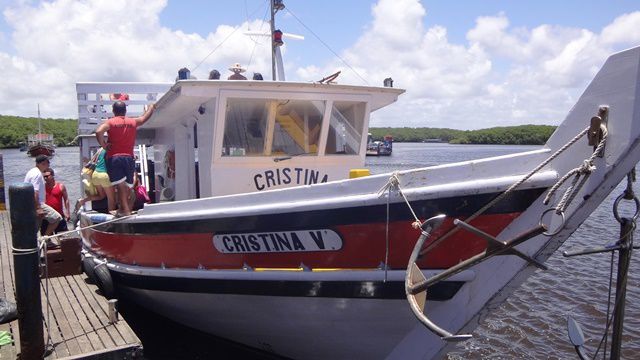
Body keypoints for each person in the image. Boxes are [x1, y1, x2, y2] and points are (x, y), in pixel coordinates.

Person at [95, 101, 155, 216]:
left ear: (113, 111)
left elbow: (98, 131)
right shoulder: (132, 121)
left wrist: (103, 145)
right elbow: (143, 118)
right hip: (129, 157)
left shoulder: (111, 122)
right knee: (127, 185)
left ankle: (124, 210)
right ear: (125, 111)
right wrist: (151, 107)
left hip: (115, 157)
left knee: (120, 185)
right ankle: (124, 208)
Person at [23, 155, 61, 239]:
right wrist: (38, 208)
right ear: (43, 163)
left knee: (35, 228)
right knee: (56, 218)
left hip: (30, 203)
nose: (49, 166)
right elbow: (34, 191)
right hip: (37, 203)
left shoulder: (31, 171)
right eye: (48, 163)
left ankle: (32, 243)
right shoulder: (37, 174)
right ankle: (44, 239)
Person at [78, 148, 116, 212]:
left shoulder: (100, 149)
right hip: (103, 174)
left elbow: (92, 162)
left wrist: (87, 160)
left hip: (95, 174)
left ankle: (84, 200)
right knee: (111, 199)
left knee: (101, 196)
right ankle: (112, 218)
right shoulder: (112, 148)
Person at [42, 167, 70, 233]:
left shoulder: (61, 186)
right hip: (47, 217)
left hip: (59, 215)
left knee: (63, 237)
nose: (45, 178)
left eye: (47, 176)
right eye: (44, 177)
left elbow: (66, 199)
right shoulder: (42, 187)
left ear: (52, 175)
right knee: (46, 238)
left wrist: (67, 212)